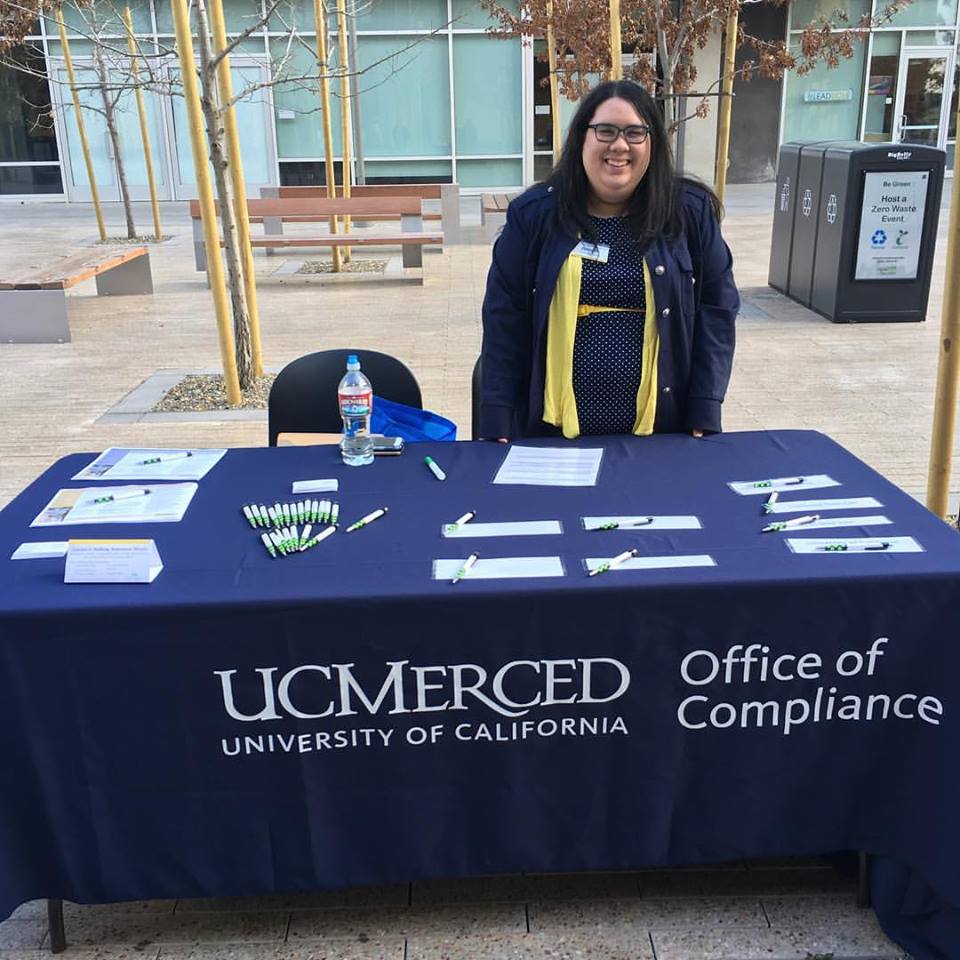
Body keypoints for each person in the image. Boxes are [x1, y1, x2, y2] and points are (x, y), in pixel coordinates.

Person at [479, 79, 739, 441]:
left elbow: (718, 308)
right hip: (552, 430)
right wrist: (497, 417)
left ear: (652, 143)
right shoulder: (534, 215)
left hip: (662, 429)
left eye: (634, 132)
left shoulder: (689, 212)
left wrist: (705, 406)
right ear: (582, 138)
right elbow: (504, 316)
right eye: (605, 131)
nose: (619, 145)